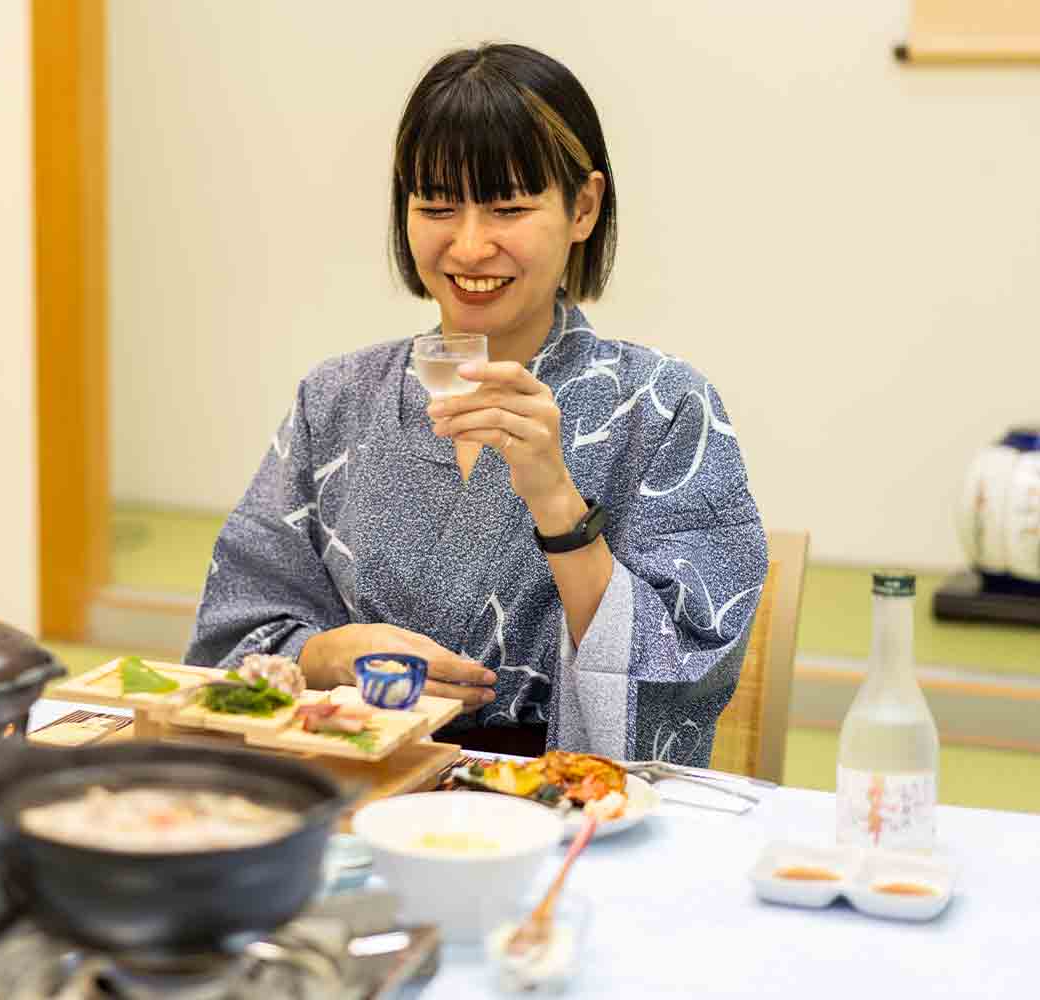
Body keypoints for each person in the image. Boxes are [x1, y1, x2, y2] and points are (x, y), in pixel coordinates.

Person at [185, 43, 767, 766]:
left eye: (508, 208)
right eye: (437, 207)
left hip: (556, 798)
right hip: (351, 782)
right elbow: (230, 635)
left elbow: (686, 669)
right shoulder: (335, 399)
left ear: (583, 207)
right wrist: (332, 654)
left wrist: (555, 499)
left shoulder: (666, 408)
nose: (467, 246)